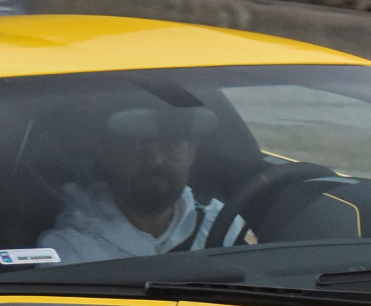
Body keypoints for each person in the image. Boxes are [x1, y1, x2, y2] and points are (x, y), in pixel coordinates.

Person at [36, 102, 229, 263]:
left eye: (171, 146)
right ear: (105, 153)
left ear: (192, 153)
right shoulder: (70, 248)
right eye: (136, 146)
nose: (155, 160)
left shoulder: (221, 221)